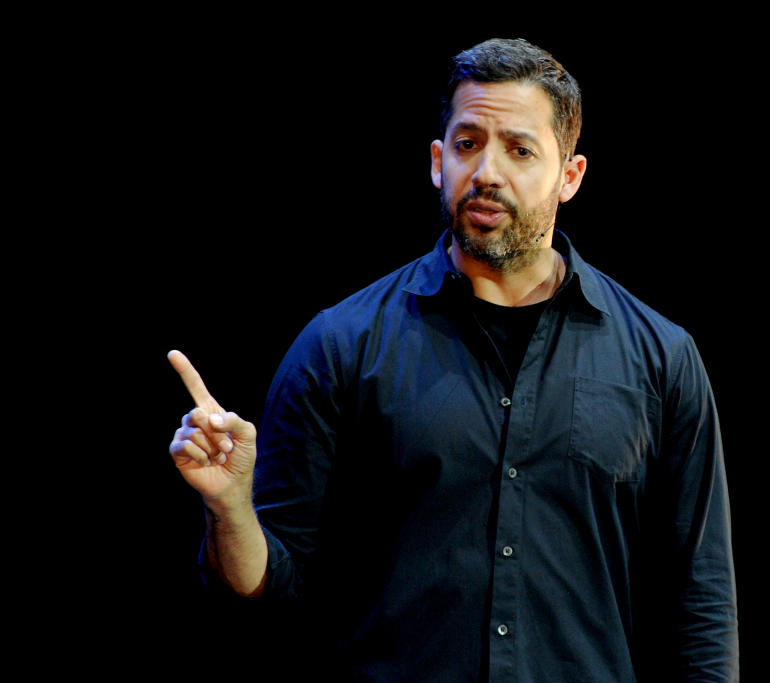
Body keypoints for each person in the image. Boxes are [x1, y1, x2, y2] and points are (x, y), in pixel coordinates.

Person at [169, 37, 739, 681]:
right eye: (468, 144)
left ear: (569, 176)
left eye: (520, 150)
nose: (487, 171)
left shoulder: (661, 357)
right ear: (438, 162)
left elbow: (702, 603)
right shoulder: (340, 345)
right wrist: (230, 511)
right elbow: (271, 593)